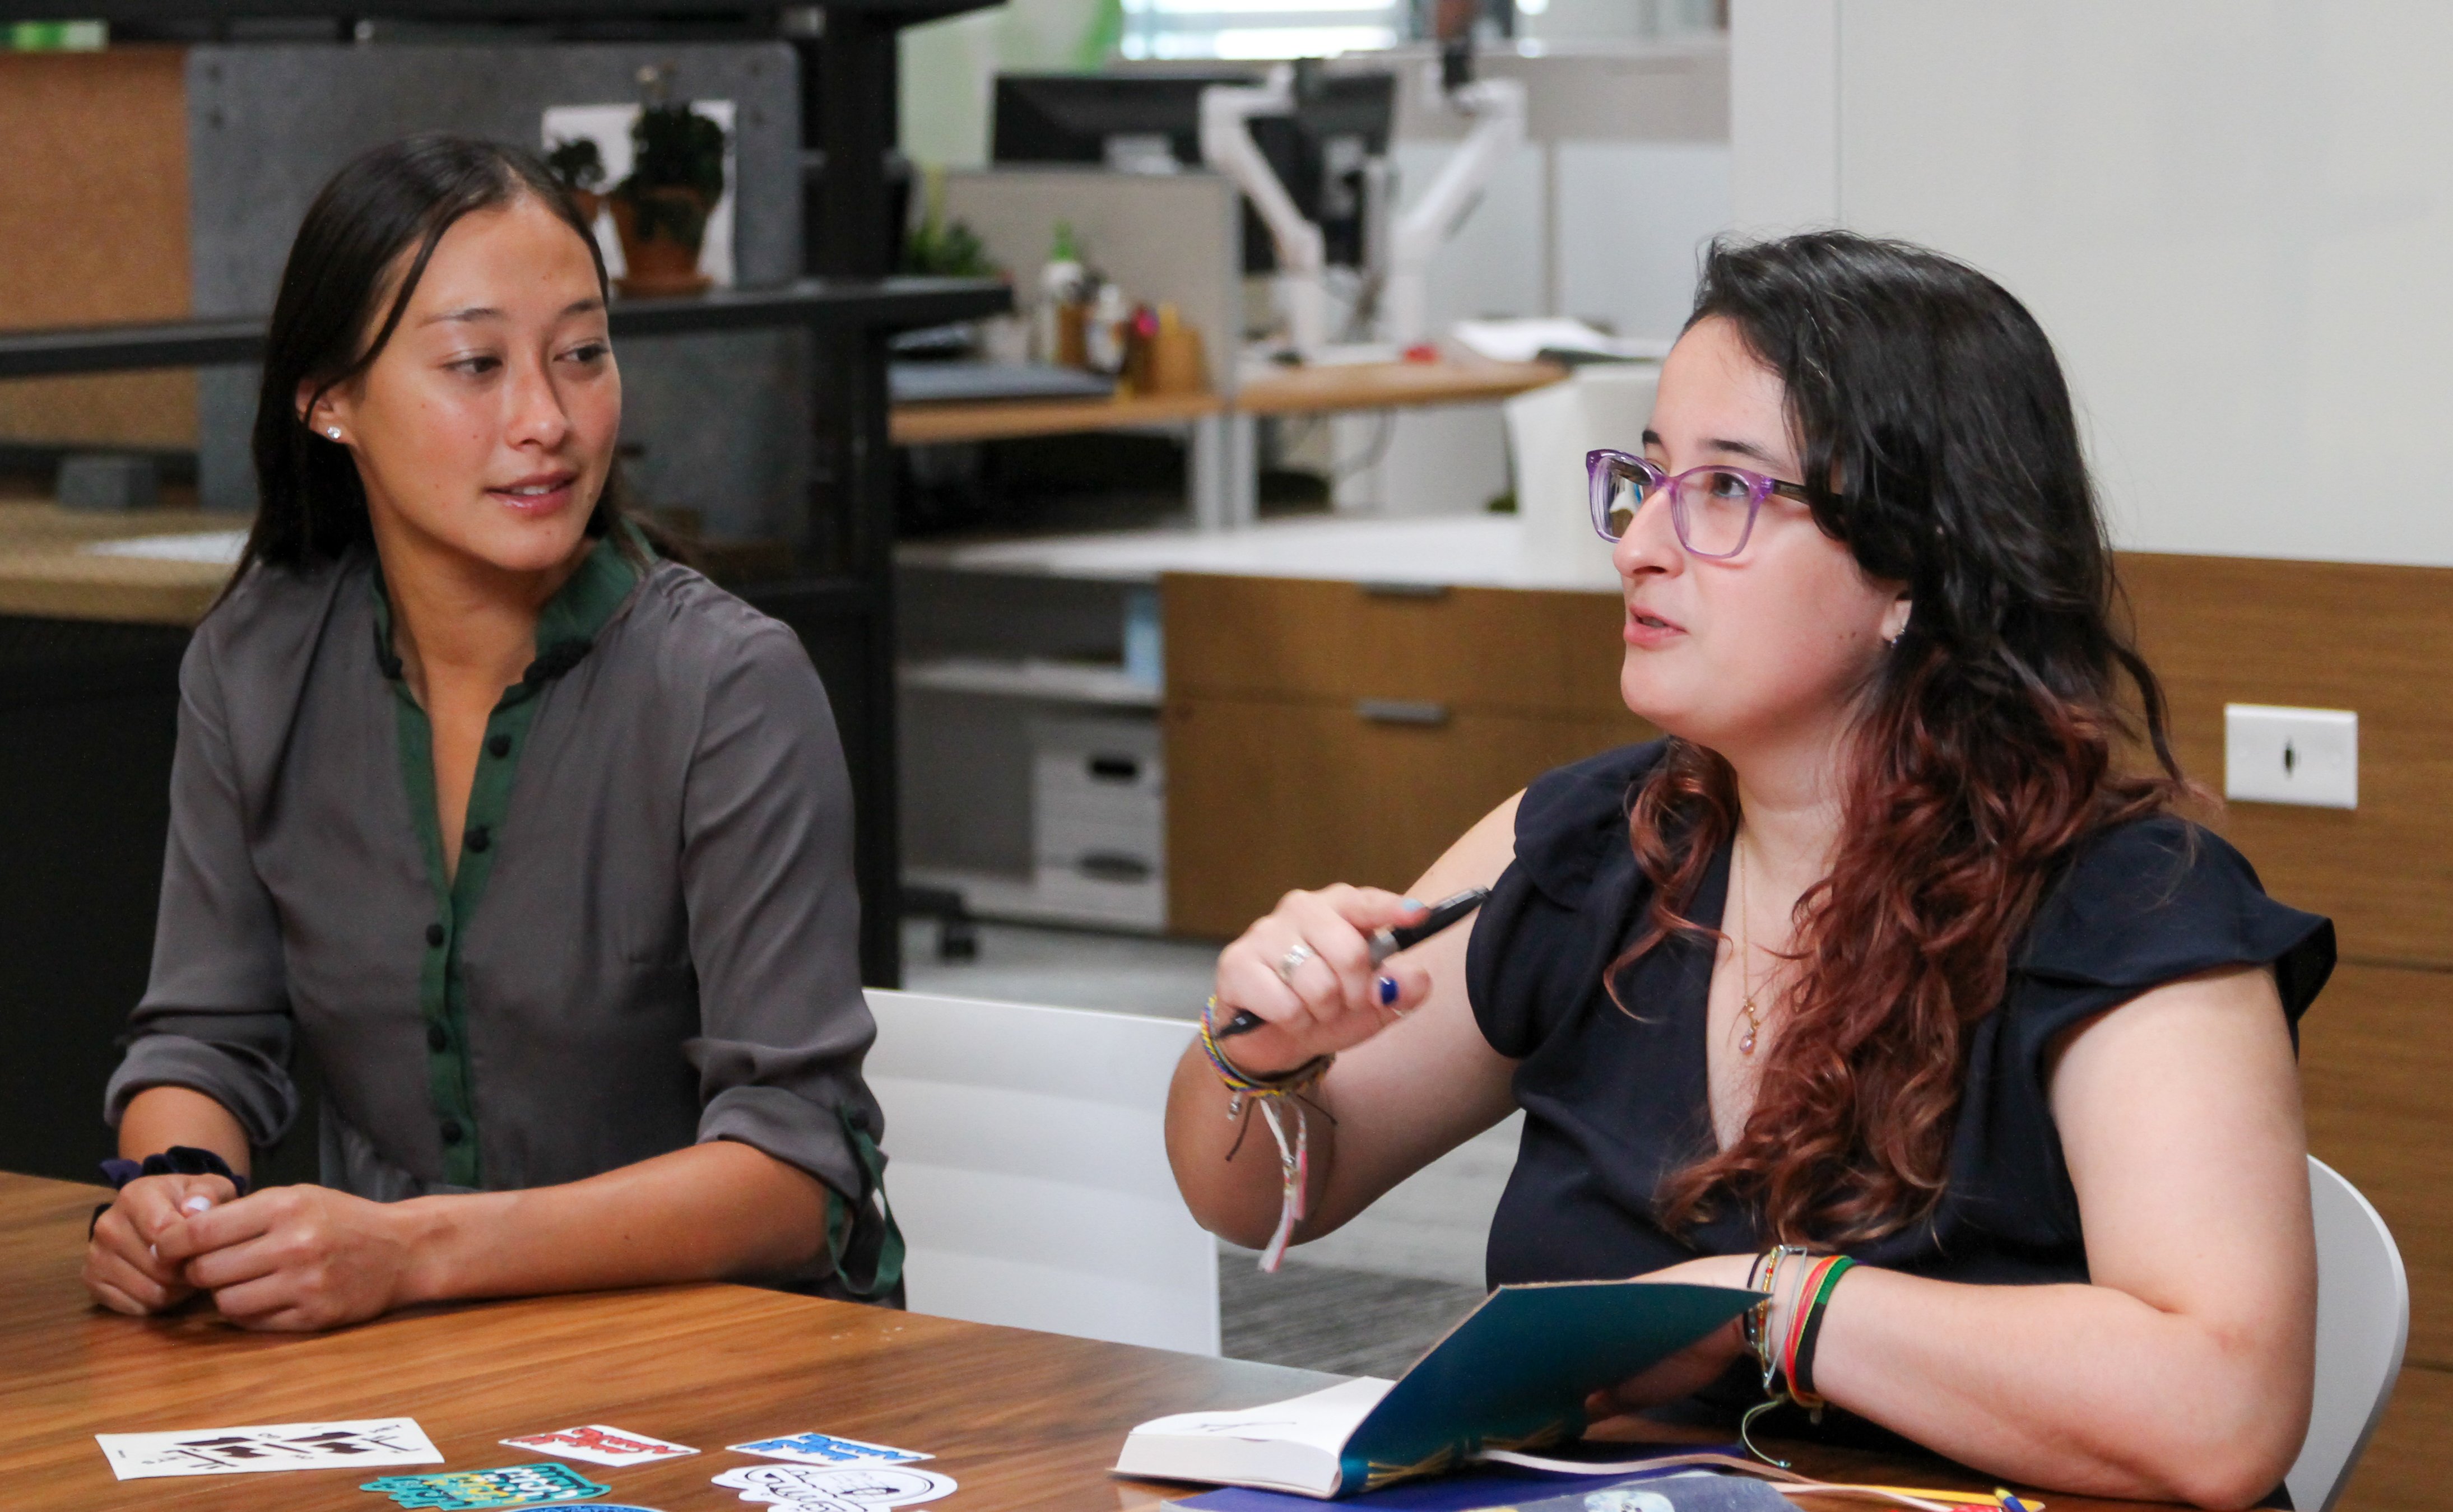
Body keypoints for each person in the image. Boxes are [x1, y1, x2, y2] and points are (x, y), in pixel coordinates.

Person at [1166, 232, 2332, 1509]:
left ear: (1912, 565)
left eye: (1722, 493)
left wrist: (1766, 1301)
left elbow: (2218, 1416)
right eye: (1645, 479)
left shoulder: (2128, 901)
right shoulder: (1588, 844)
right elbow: (1266, 1192)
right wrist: (1256, 1050)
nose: (1639, 548)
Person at [81, 134, 897, 1332]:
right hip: (397, 1369)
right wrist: (173, 1198)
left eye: (581, 355)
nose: (545, 420)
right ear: (328, 400)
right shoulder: (255, 662)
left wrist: (410, 1252)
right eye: (475, 364)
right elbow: (202, 1039)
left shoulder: (727, 685)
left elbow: (797, 1174)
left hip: (726, 1365)